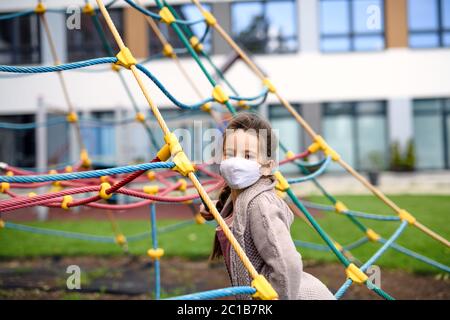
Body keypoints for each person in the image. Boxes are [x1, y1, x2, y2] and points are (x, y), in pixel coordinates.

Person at [200, 112, 335, 300]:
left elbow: (288, 265)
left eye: (248, 155)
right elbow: (240, 216)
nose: (236, 162)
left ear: (267, 166)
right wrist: (217, 210)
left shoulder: (261, 206)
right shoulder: (240, 197)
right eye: (229, 153)